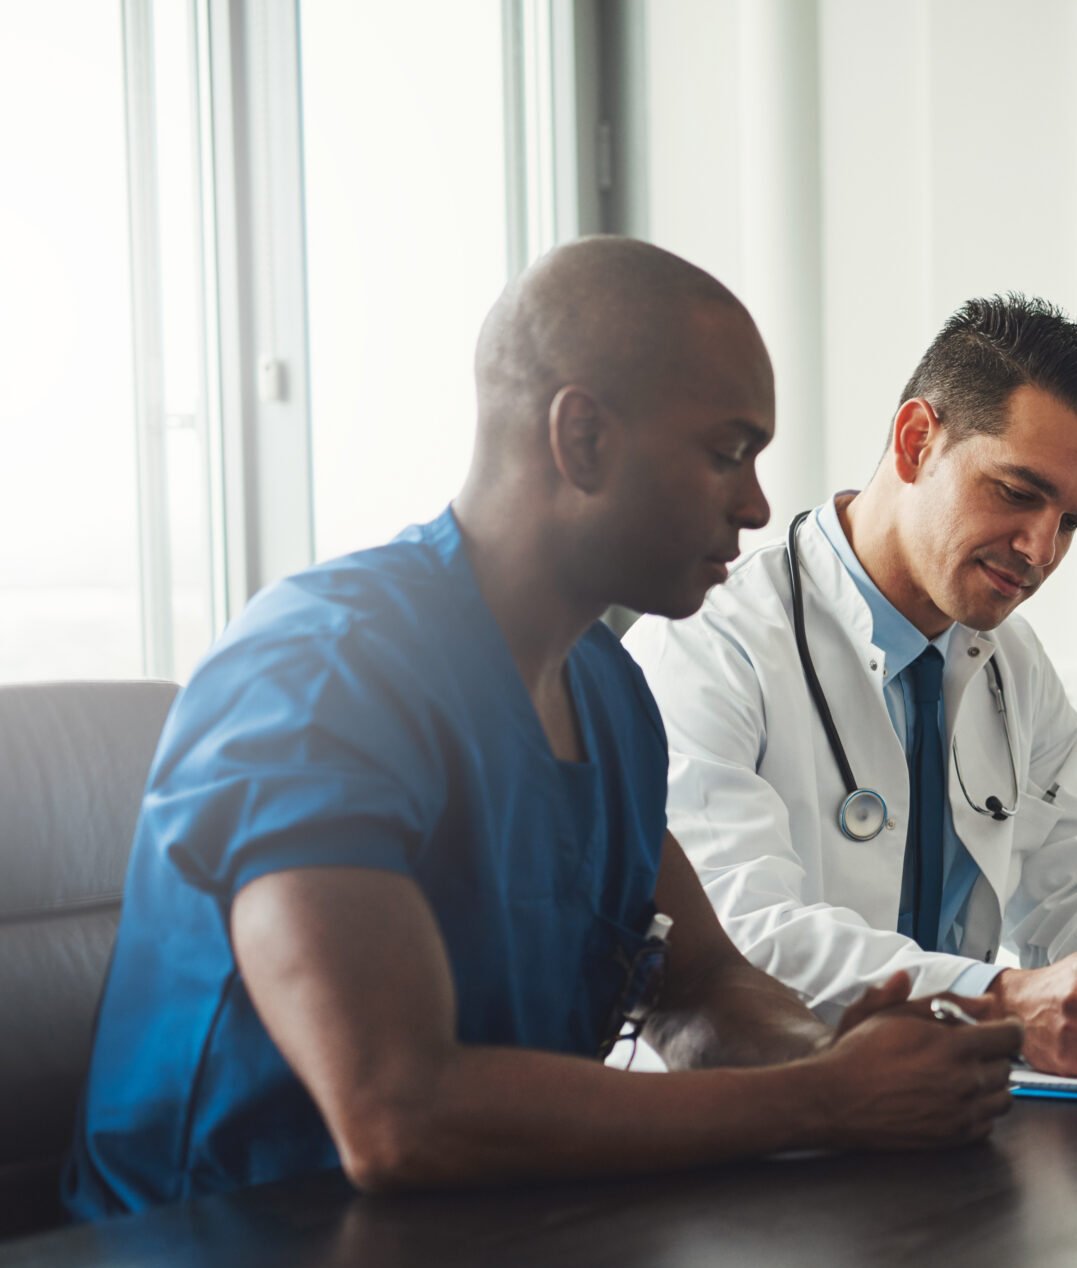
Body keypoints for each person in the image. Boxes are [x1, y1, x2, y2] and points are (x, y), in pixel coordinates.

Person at [66, 238, 1021, 1218]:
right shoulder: (321, 672)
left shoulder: (603, 690)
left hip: (483, 1259)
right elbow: (398, 1111)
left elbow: (698, 986)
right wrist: (818, 1097)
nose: (756, 504)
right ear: (583, 440)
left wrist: (846, 1051)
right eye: (727, 452)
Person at [627, 295, 1077, 1081]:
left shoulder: (1011, 661)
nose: (1041, 548)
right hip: (745, 1133)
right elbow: (738, 940)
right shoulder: (708, 639)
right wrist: (999, 999)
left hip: (935, 1115)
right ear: (916, 442)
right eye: (1016, 490)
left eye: (1073, 521)